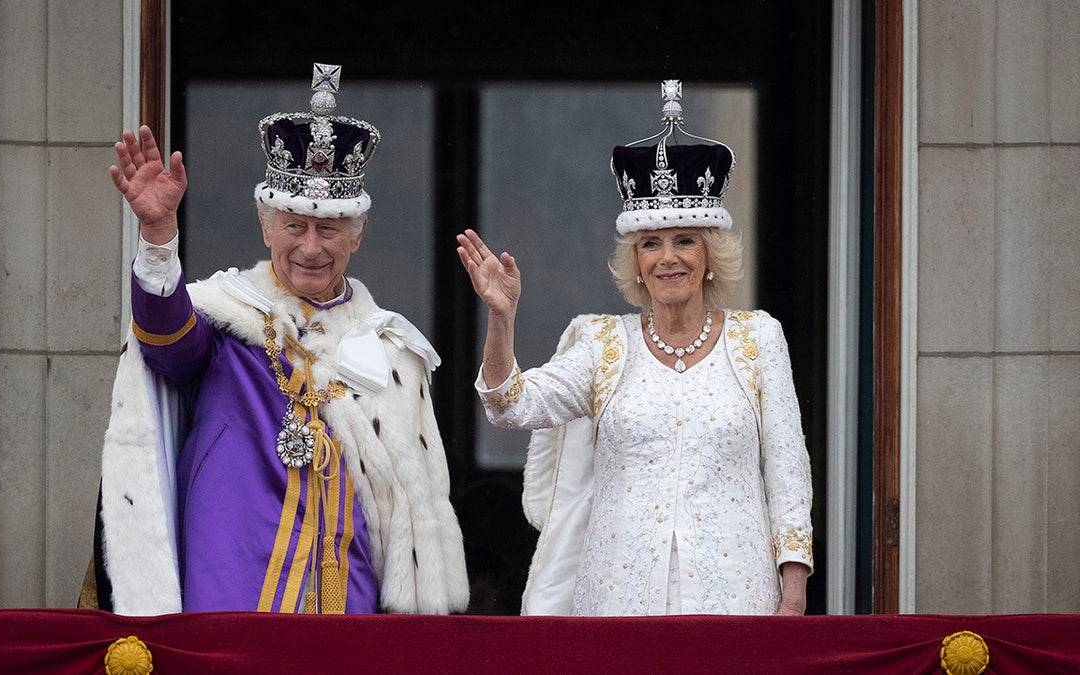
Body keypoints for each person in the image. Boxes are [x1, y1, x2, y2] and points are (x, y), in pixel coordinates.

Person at [90, 63, 468, 615]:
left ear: (355, 237)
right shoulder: (228, 323)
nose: (310, 247)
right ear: (267, 227)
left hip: (347, 596)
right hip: (232, 586)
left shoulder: (391, 353)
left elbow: (407, 519)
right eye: (294, 226)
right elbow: (168, 342)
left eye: (328, 229)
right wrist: (157, 238)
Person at [456, 80, 813, 616]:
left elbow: (787, 471)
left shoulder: (758, 338)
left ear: (710, 253)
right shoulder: (603, 344)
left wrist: (793, 590)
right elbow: (511, 405)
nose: (668, 258)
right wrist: (501, 319)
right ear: (637, 262)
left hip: (737, 600)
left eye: (685, 239)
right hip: (619, 602)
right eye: (651, 243)